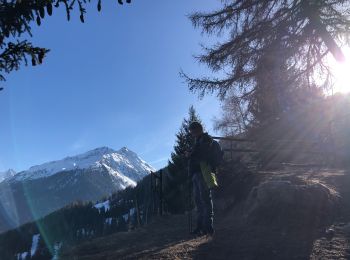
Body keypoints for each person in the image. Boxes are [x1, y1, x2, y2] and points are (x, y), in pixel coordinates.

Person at [186, 121, 220, 236]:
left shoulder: (206, 140)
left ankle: (208, 228)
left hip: (203, 173)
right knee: (199, 202)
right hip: (197, 174)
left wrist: (191, 154)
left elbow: (203, 155)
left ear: (198, 130)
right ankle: (200, 227)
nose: (192, 134)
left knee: (205, 200)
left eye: (192, 132)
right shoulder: (199, 141)